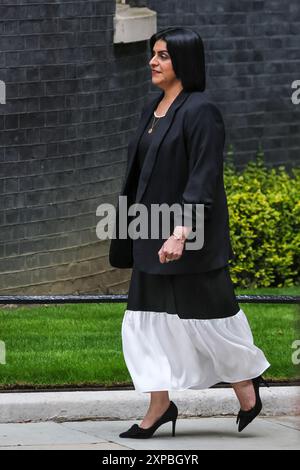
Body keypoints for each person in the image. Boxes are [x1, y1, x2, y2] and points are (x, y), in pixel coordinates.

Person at [109, 27, 270, 439]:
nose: (153, 61)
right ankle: (160, 406)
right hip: (149, 233)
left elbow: (204, 177)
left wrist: (181, 232)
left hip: (189, 238)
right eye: (153, 54)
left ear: (184, 62)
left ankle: (246, 388)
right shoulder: (153, 107)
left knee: (212, 320)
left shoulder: (201, 111)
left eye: (162, 55)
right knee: (143, 323)